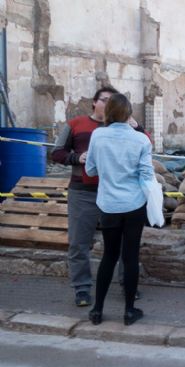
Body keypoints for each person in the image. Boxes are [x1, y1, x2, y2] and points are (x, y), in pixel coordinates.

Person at [52, 86, 147, 307]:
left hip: (115, 194)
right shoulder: (76, 125)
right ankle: (82, 289)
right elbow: (56, 153)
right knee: (79, 243)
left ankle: (127, 286)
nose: (107, 104)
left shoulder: (125, 129)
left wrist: (138, 128)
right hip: (83, 193)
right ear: (94, 103)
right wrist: (77, 158)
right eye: (104, 100)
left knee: (125, 245)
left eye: (112, 101)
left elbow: (144, 147)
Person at [85, 93, 155, 326]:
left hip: (109, 205)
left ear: (108, 111)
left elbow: (91, 170)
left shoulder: (98, 135)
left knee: (109, 256)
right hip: (134, 204)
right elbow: (146, 174)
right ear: (129, 113)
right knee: (130, 256)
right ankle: (128, 311)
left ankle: (97, 310)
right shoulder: (141, 140)